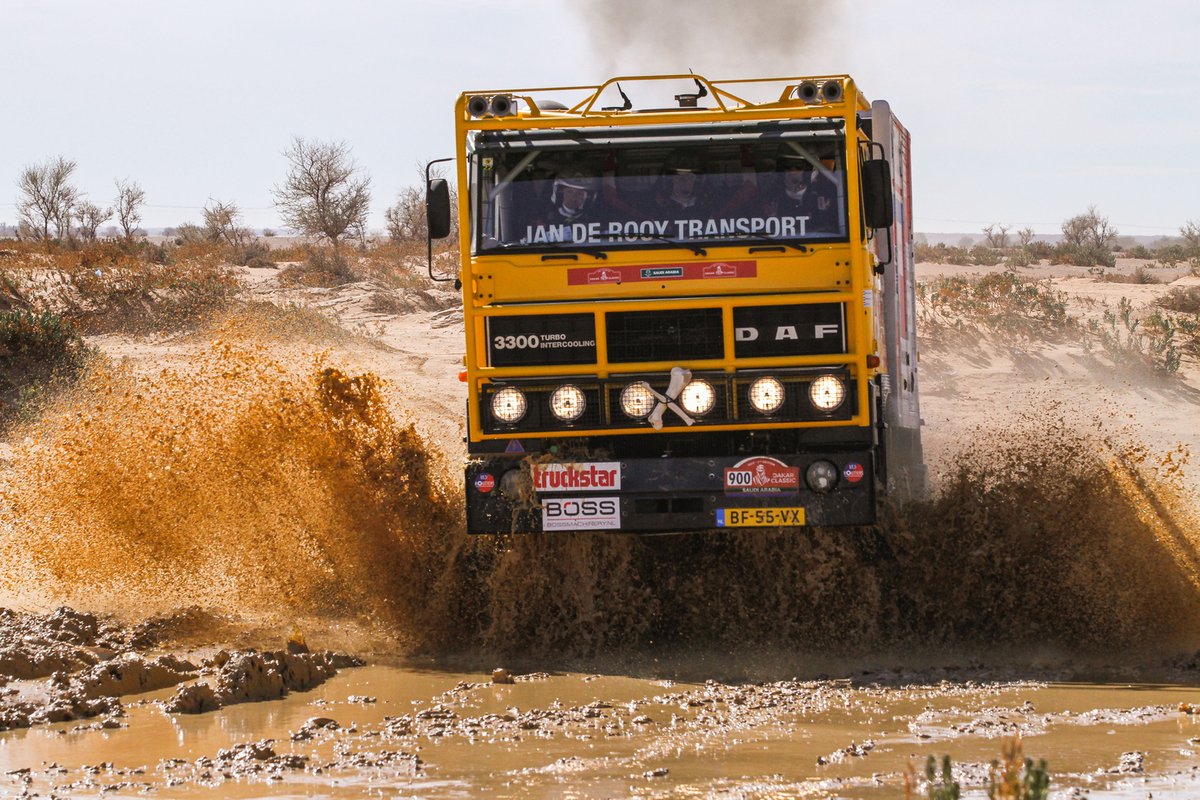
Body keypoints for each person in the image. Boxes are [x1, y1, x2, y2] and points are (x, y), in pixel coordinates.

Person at [763, 152, 841, 235]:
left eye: (798, 167)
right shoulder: (772, 196)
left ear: (807, 171)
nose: (793, 171)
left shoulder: (823, 195)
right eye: (788, 167)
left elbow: (832, 226)